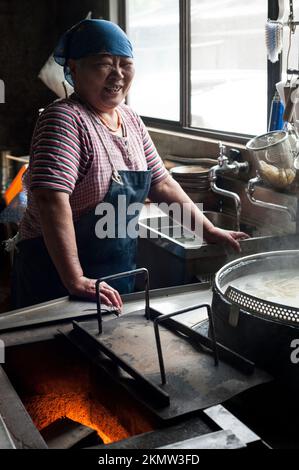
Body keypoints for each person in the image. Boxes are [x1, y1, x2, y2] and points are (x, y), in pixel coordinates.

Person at [11, 19, 248, 310]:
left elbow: (161, 183)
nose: (118, 75)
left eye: (126, 64)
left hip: (110, 278)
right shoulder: (64, 119)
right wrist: (75, 278)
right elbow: (51, 200)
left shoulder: (131, 120)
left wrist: (208, 230)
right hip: (56, 279)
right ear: (74, 68)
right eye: (104, 64)